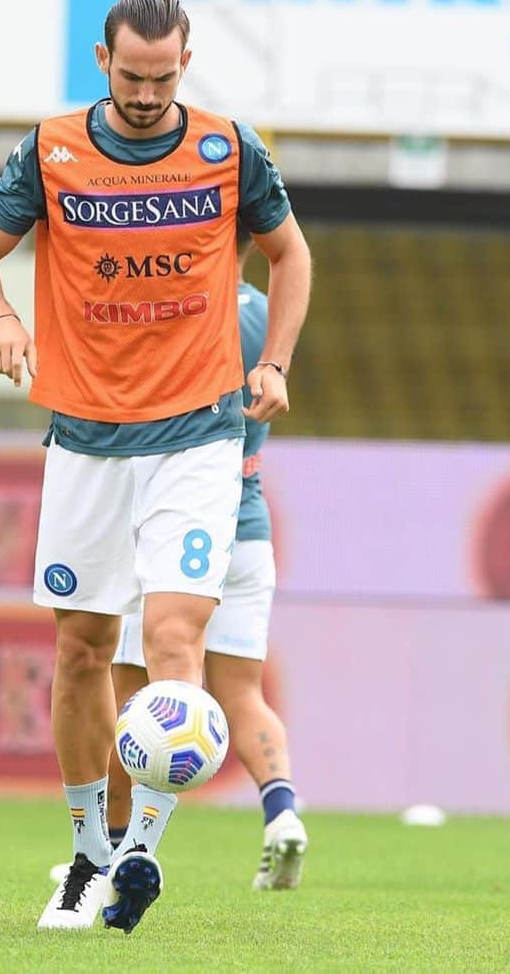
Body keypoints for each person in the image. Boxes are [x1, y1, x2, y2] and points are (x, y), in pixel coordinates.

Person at [0, 0, 311, 934]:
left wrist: (271, 360)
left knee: (174, 644)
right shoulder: (53, 149)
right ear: (101, 60)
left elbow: (291, 255)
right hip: (84, 438)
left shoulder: (230, 150)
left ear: (184, 62)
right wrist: (0, 318)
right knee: (79, 651)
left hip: (197, 433)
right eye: (131, 75)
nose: (148, 94)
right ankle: (84, 855)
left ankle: (142, 846)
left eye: (164, 76)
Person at [107, 245, 308, 891]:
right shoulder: (263, 319)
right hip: (246, 525)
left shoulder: (175, 314)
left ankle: (119, 848)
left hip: (173, 524)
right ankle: (281, 812)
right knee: (241, 692)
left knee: (136, 692)